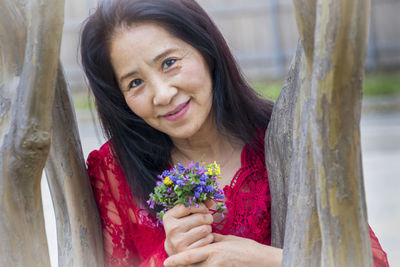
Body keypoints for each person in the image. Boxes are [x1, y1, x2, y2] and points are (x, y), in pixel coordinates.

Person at [81, 0, 389, 266]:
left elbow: (370, 261)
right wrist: (169, 256)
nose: (161, 94)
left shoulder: (288, 138)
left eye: (169, 63)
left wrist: (266, 260)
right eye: (135, 83)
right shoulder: (113, 172)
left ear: (206, 50)